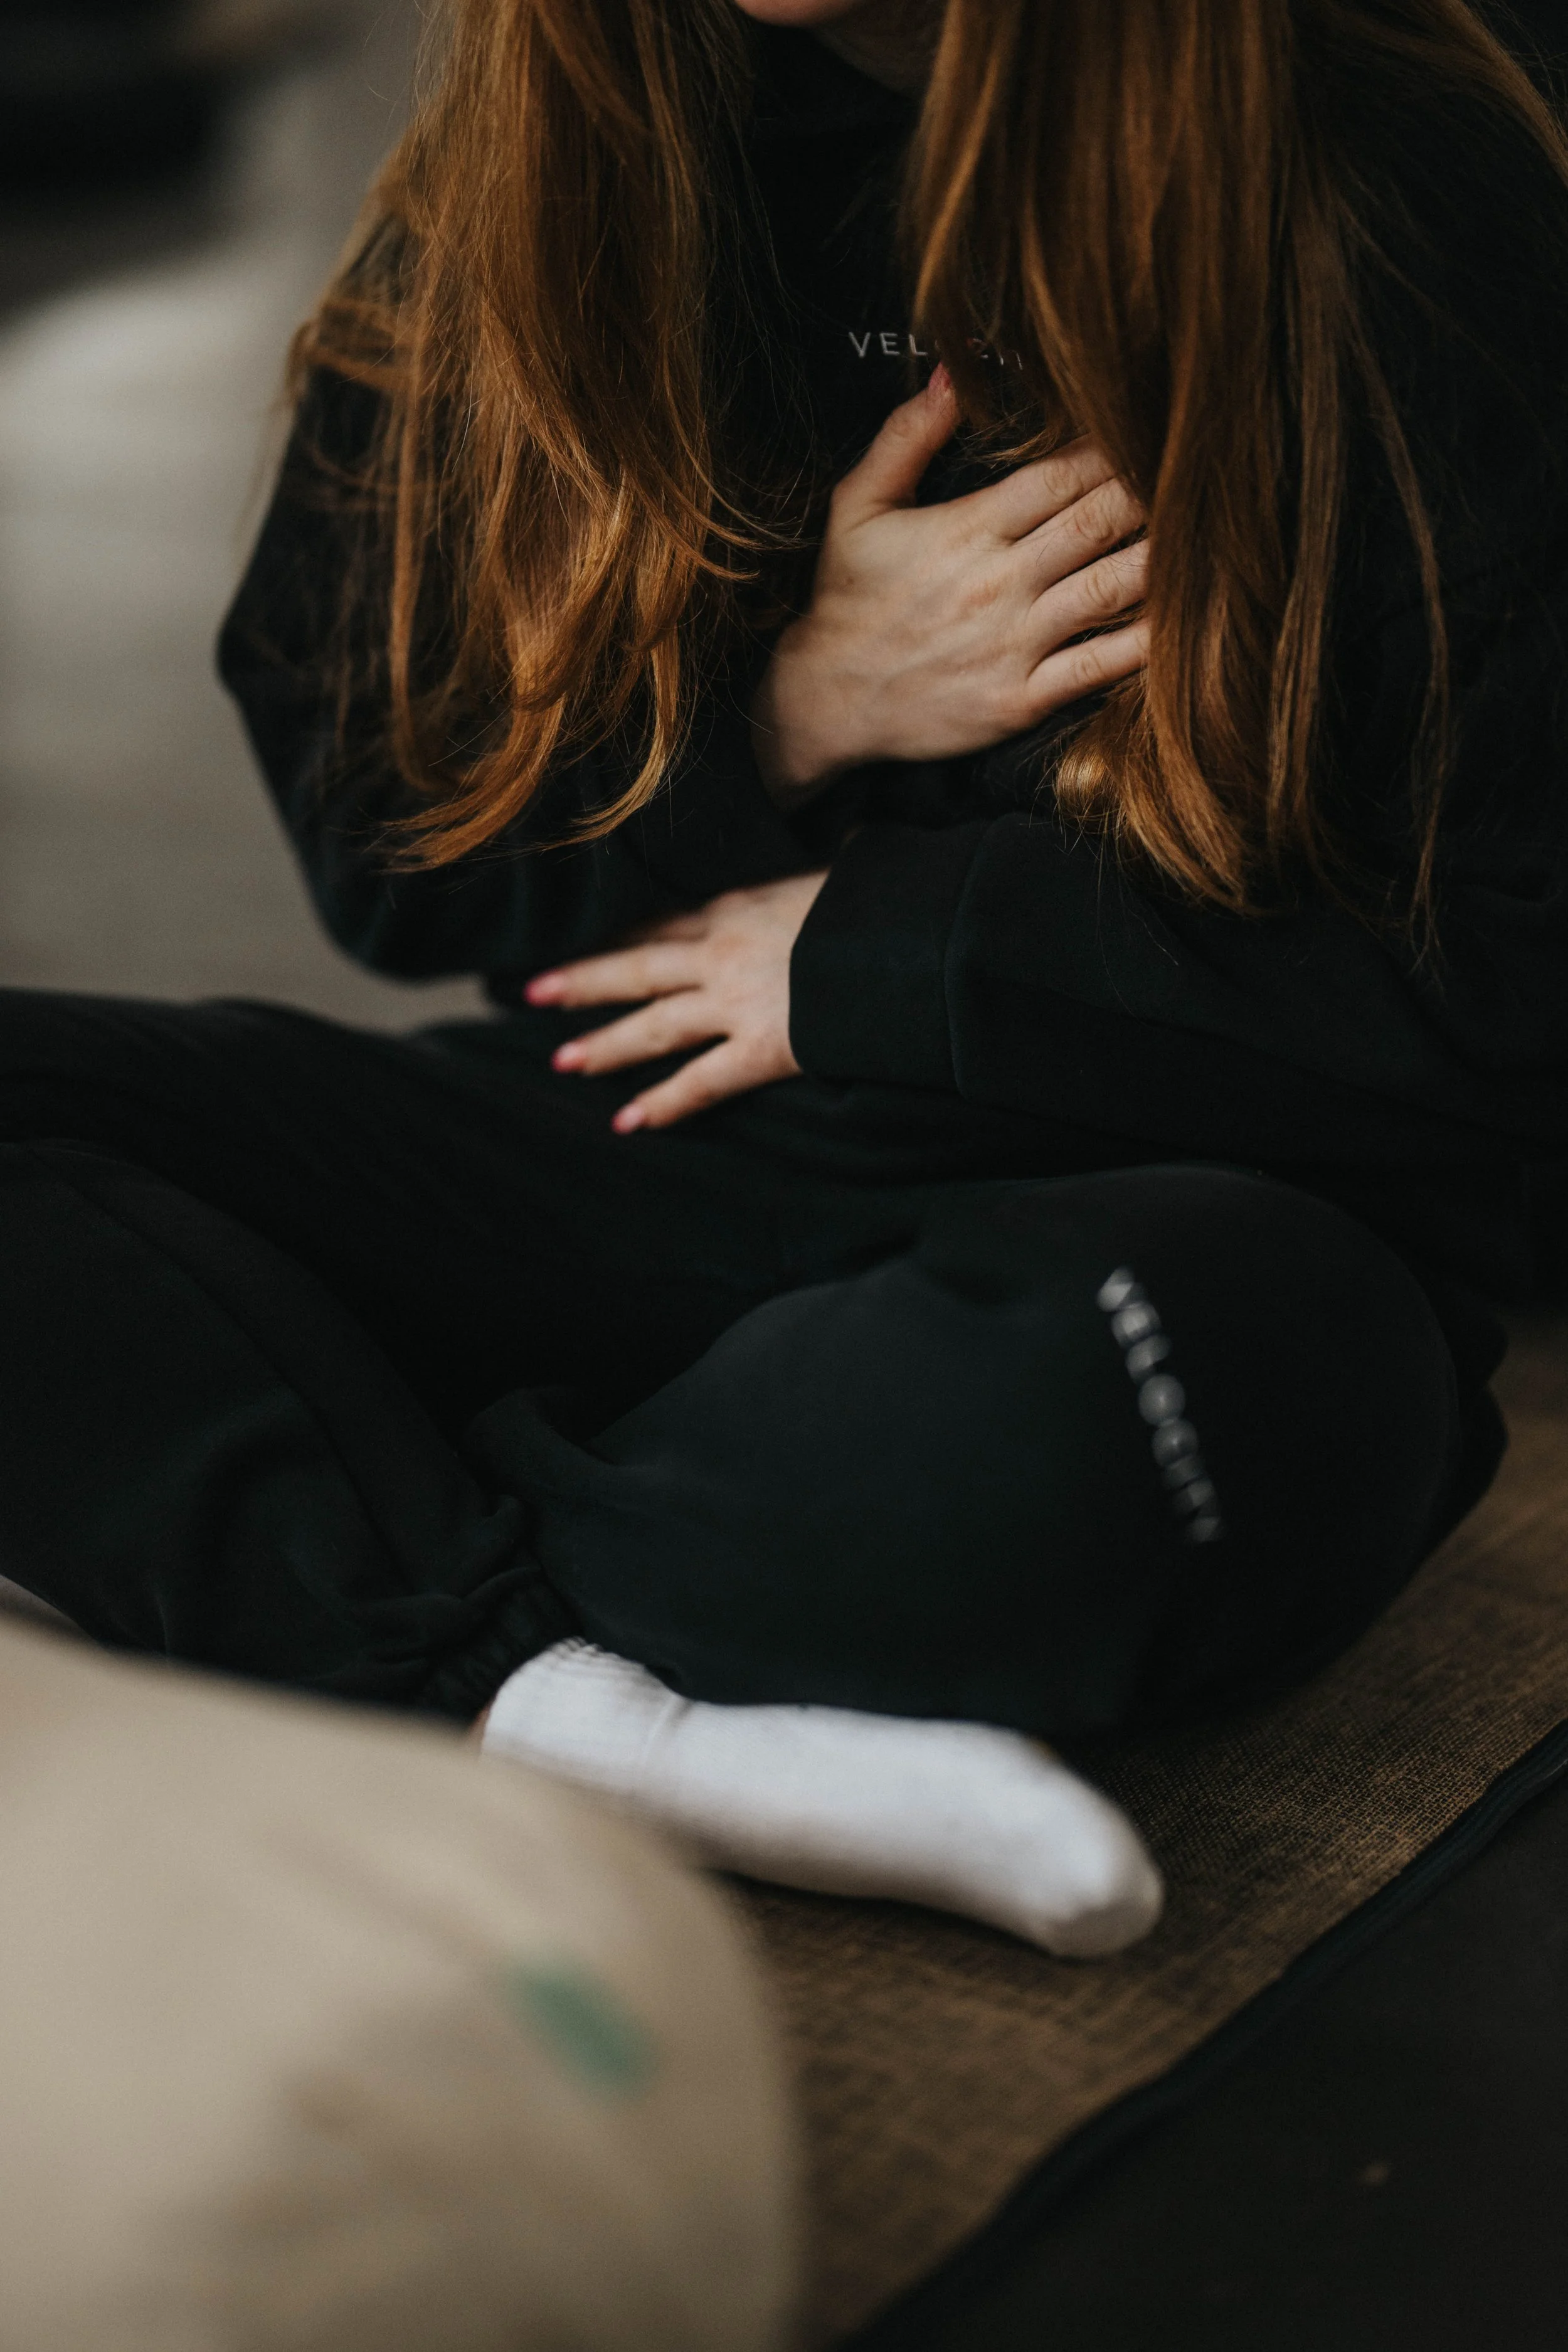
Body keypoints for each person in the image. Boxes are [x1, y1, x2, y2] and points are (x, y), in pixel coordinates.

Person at [2, 0, 1565, 1943]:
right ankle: (523, 1684)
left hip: (1178, 1210)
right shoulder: (542, 149)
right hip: (659, 1136)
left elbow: (1508, 969)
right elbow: (382, 829)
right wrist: (793, 716)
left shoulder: (1394, 169)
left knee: (1185, 1399)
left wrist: (872, 950)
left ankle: (251, 1508)